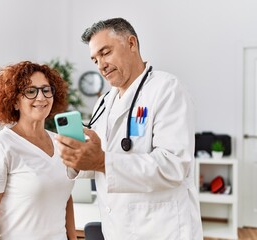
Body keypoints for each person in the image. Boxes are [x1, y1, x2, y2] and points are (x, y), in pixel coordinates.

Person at [55, 18, 203, 239]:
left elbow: (173, 166)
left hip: (161, 229)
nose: (100, 65)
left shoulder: (167, 90)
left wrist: (101, 161)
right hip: (117, 228)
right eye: (95, 59)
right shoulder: (104, 102)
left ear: (132, 43)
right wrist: (76, 159)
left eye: (105, 53)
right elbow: (99, 162)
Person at [0, 61, 77, 240]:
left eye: (46, 90)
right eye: (30, 91)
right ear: (14, 102)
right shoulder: (0, 145)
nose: (41, 97)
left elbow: (64, 199)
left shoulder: (60, 141)